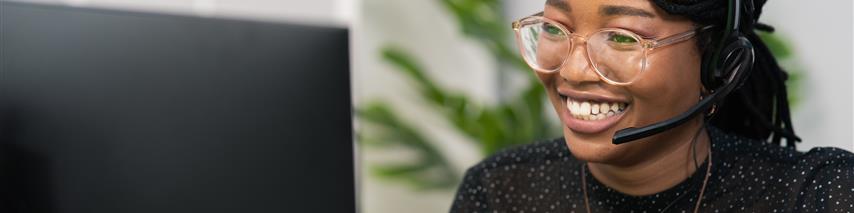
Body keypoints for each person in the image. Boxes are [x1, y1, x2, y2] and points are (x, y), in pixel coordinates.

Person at [450, 0, 854, 212]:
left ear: (717, 62)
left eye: (624, 38)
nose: (572, 70)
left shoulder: (819, 195)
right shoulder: (500, 192)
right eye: (556, 28)